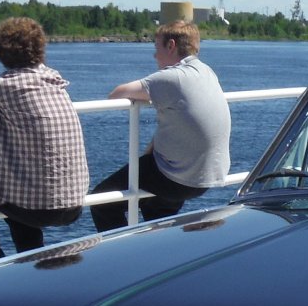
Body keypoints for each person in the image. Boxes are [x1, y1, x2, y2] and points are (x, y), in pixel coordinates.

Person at [0, 17, 88, 264]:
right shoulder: (55, 81)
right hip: (74, 204)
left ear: (1, 53)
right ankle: (31, 265)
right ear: (40, 50)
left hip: (37, 207)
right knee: (19, 195)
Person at [91, 20, 231, 231]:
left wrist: (147, 98)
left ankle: (123, 257)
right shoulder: (207, 72)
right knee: (155, 206)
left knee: (101, 201)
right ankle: (157, 251)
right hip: (207, 177)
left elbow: (116, 94)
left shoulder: (172, 77)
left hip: (178, 176)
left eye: (156, 48)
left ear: (171, 46)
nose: (155, 56)